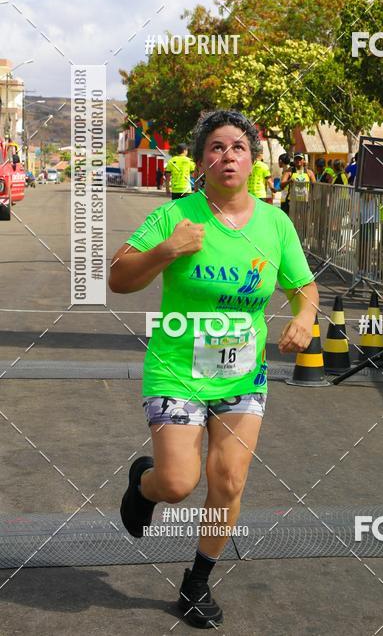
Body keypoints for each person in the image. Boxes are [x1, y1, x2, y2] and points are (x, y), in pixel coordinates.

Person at [108, 110, 318, 628]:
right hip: (177, 368)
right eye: (217, 148)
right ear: (201, 162)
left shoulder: (275, 224)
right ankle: (144, 486)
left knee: (228, 479)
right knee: (178, 482)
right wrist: (166, 250)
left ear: (253, 160)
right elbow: (118, 278)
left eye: (239, 148)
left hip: (242, 375)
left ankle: (198, 579)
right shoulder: (177, 217)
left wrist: (306, 317)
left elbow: (303, 286)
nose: (228, 156)